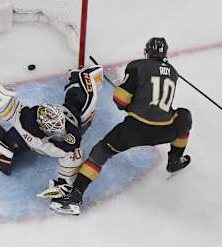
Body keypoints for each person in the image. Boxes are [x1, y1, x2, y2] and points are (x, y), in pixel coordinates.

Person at [49, 37, 192, 215]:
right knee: (184, 117)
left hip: (135, 129)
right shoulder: (173, 72)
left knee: (100, 153)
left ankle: (75, 195)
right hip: (164, 131)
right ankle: (174, 160)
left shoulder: (138, 66)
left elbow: (120, 99)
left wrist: (128, 106)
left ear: (147, 52)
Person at [0, 65, 103, 192]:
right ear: (42, 127)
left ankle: (79, 78)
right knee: (2, 154)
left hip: (54, 137)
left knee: (84, 109)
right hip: (28, 141)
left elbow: (72, 155)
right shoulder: (28, 127)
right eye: (54, 127)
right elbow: (13, 110)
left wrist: (65, 184)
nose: (60, 130)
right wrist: (0, 98)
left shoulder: (67, 127)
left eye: (60, 124)